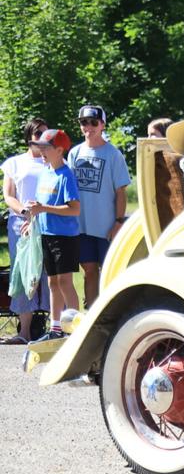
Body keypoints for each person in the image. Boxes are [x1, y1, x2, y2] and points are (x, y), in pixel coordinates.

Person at [68, 104, 131, 308]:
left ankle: (114, 313)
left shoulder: (113, 154)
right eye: (84, 122)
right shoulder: (75, 153)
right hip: (81, 225)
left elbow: (121, 192)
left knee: (111, 271)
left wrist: (119, 222)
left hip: (106, 226)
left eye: (93, 122)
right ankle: (92, 315)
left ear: (102, 124)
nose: (88, 126)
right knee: (89, 270)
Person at [24, 129, 80, 340]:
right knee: (52, 283)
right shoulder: (45, 173)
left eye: (46, 148)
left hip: (65, 237)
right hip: (46, 234)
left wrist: (44, 208)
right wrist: (32, 220)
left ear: (59, 150)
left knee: (65, 282)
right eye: (40, 147)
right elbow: (40, 206)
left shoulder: (66, 175)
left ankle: (75, 327)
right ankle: (55, 328)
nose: (42, 151)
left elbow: (74, 209)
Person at [1, 118, 50, 344]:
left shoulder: (54, 161)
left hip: (49, 222)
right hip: (20, 223)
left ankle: (55, 328)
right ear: (29, 136)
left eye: (45, 133)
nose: (42, 138)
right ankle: (25, 332)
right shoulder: (15, 163)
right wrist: (24, 211)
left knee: (50, 274)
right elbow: (9, 195)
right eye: (38, 133)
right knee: (23, 273)